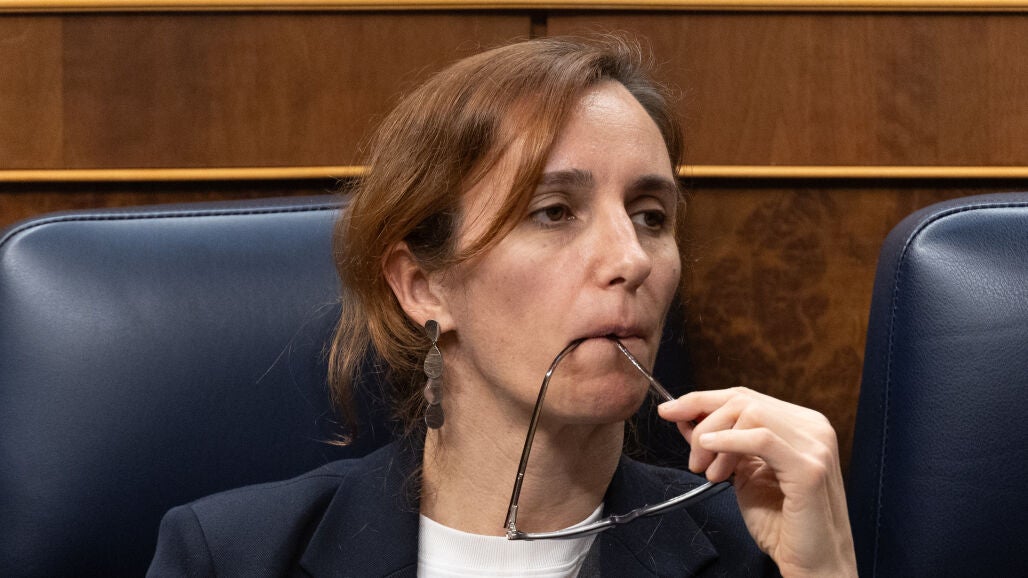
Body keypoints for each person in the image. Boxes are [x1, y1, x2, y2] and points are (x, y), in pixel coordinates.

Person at [148, 35, 856, 577]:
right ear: (423, 287)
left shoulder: (759, 548)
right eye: (554, 212)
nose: (632, 259)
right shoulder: (231, 556)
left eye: (650, 216)